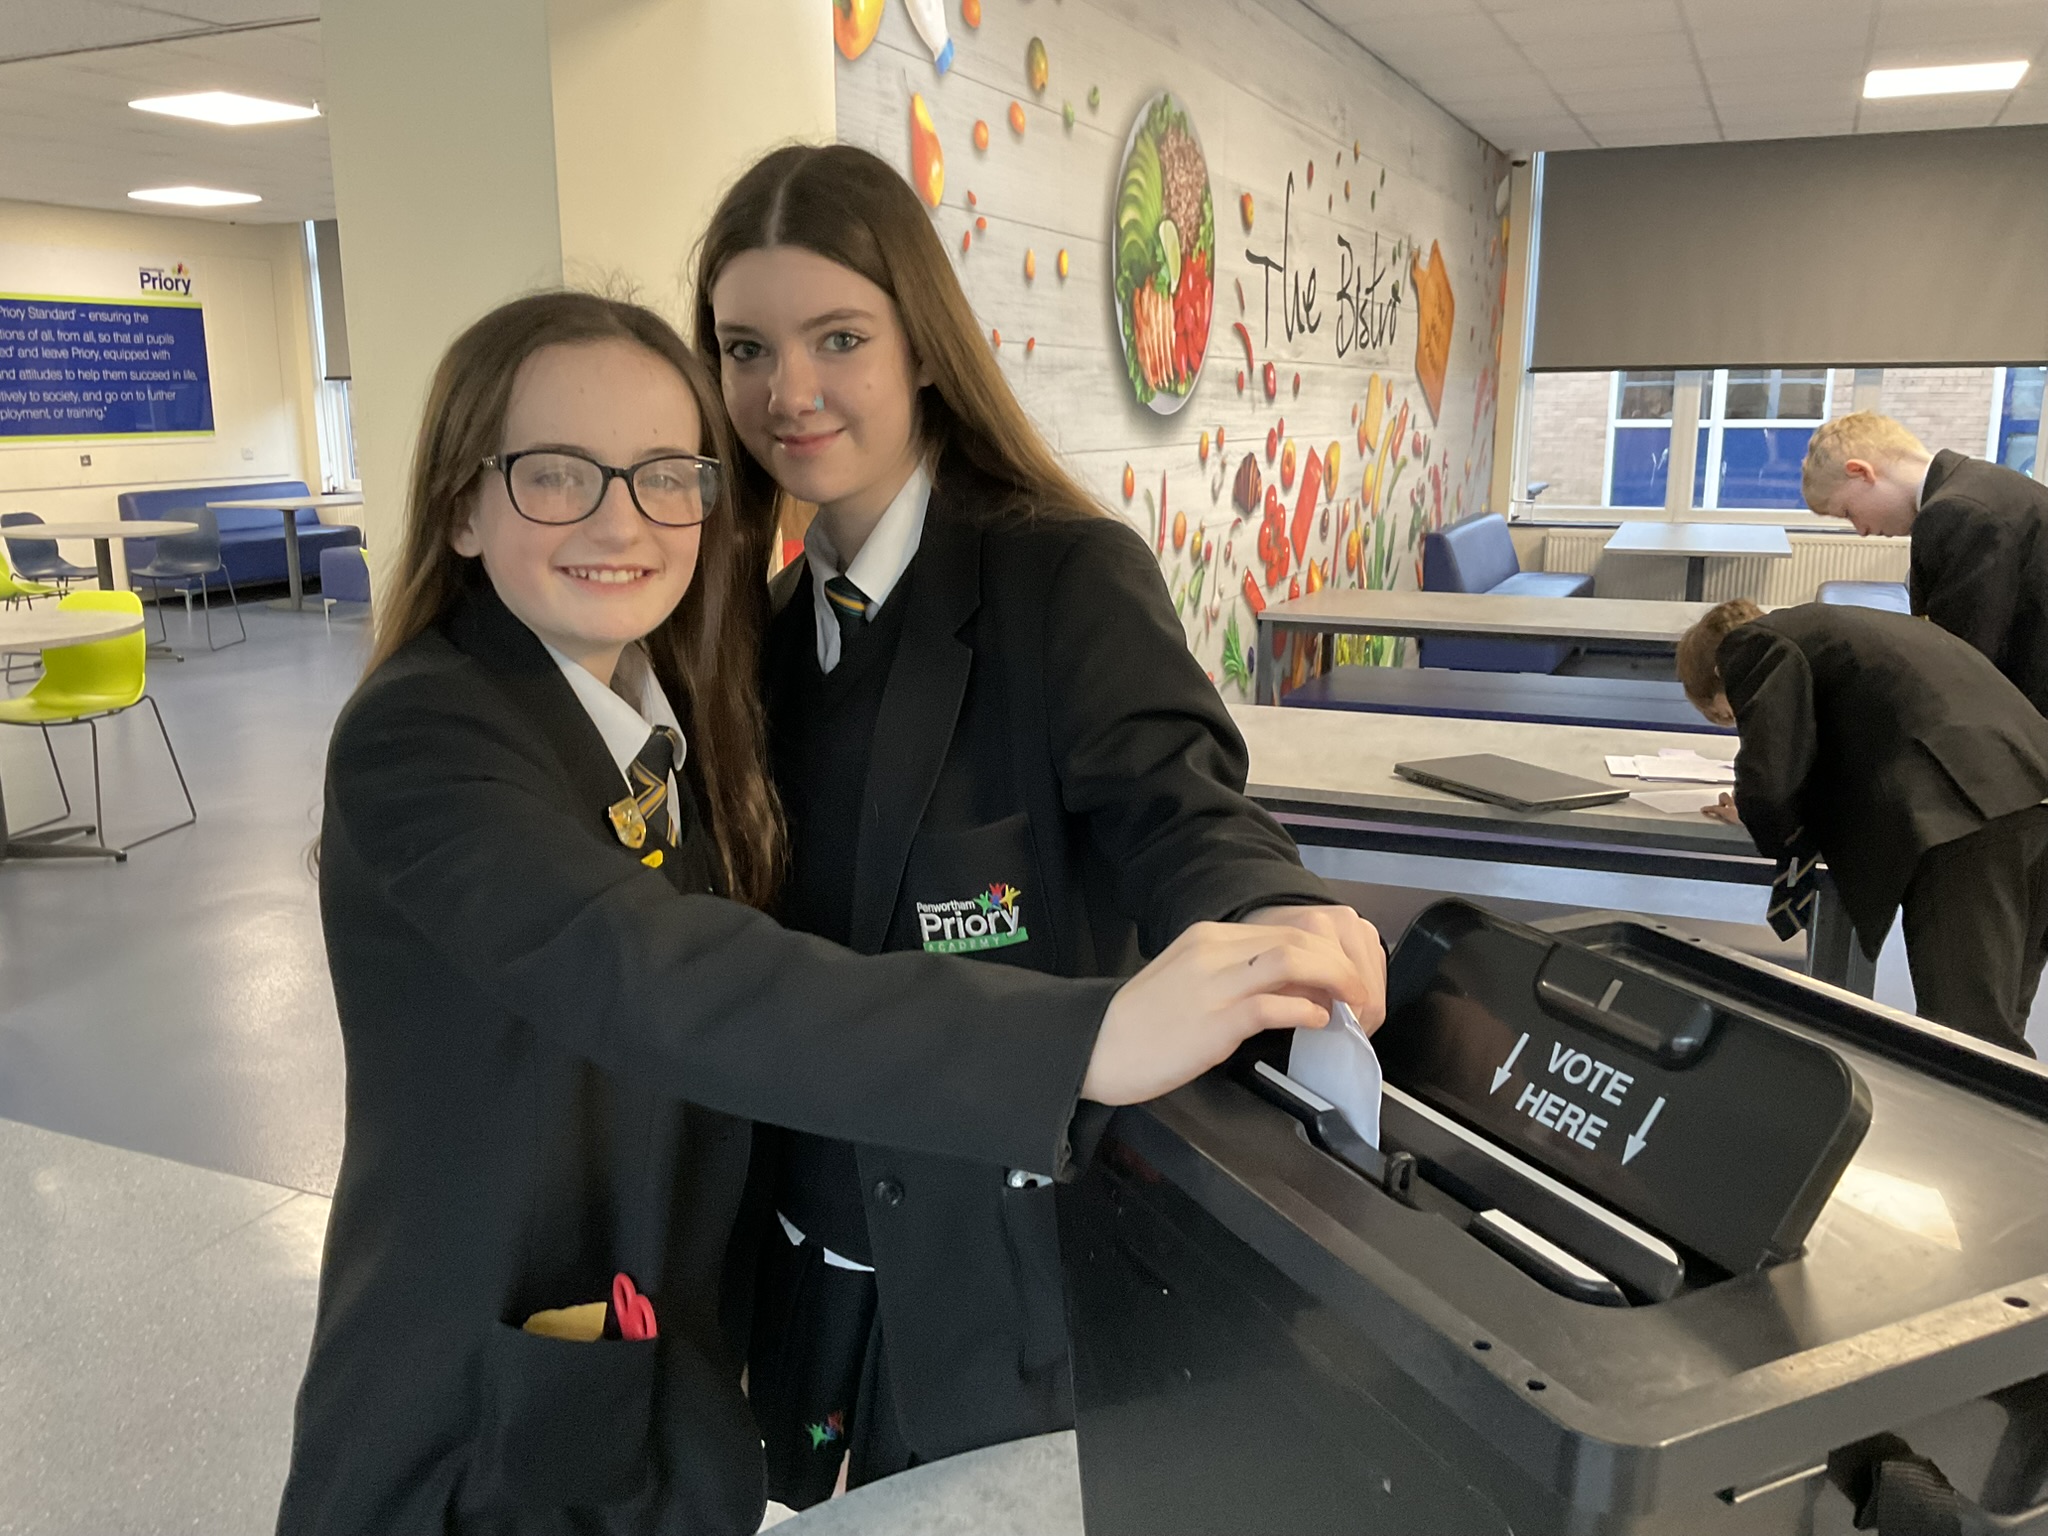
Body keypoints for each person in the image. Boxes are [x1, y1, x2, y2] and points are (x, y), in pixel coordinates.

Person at [275, 290, 1370, 1536]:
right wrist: (1085, 1039)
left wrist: (1263, 904)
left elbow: (1171, 793)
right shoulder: (425, 733)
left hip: (653, 1375)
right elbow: (665, 974)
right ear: (462, 505)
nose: (619, 520)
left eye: (661, 476)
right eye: (557, 475)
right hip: (478, 1425)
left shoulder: (672, 708)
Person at [692, 142, 1387, 1505]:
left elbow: (1182, 805)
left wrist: (1263, 912)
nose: (790, 391)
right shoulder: (750, 642)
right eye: (745, 348)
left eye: (839, 336)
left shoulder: (1057, 582)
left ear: (925, 347)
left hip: (998, 1287)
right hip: (804, 1279)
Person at [1677, 597, 2048, 1056]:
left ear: (1717, 676)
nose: (1733, 724)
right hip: (2030, 785)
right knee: (2002, 1026)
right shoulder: (1849, 627)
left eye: (1725, 715)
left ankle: (1977, 1128)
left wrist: (1760, 817)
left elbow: (1771, 774)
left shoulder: (1749, 645)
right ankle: (2005, 1126)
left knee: (1967, 1037)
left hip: (1965, 815)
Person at [1802, 411, 2048, 715]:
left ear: (1861, 472)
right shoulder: (1978, 483)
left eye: (1848, 512)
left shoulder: (1957, 511)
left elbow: (1963, 661)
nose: (1862, 531)